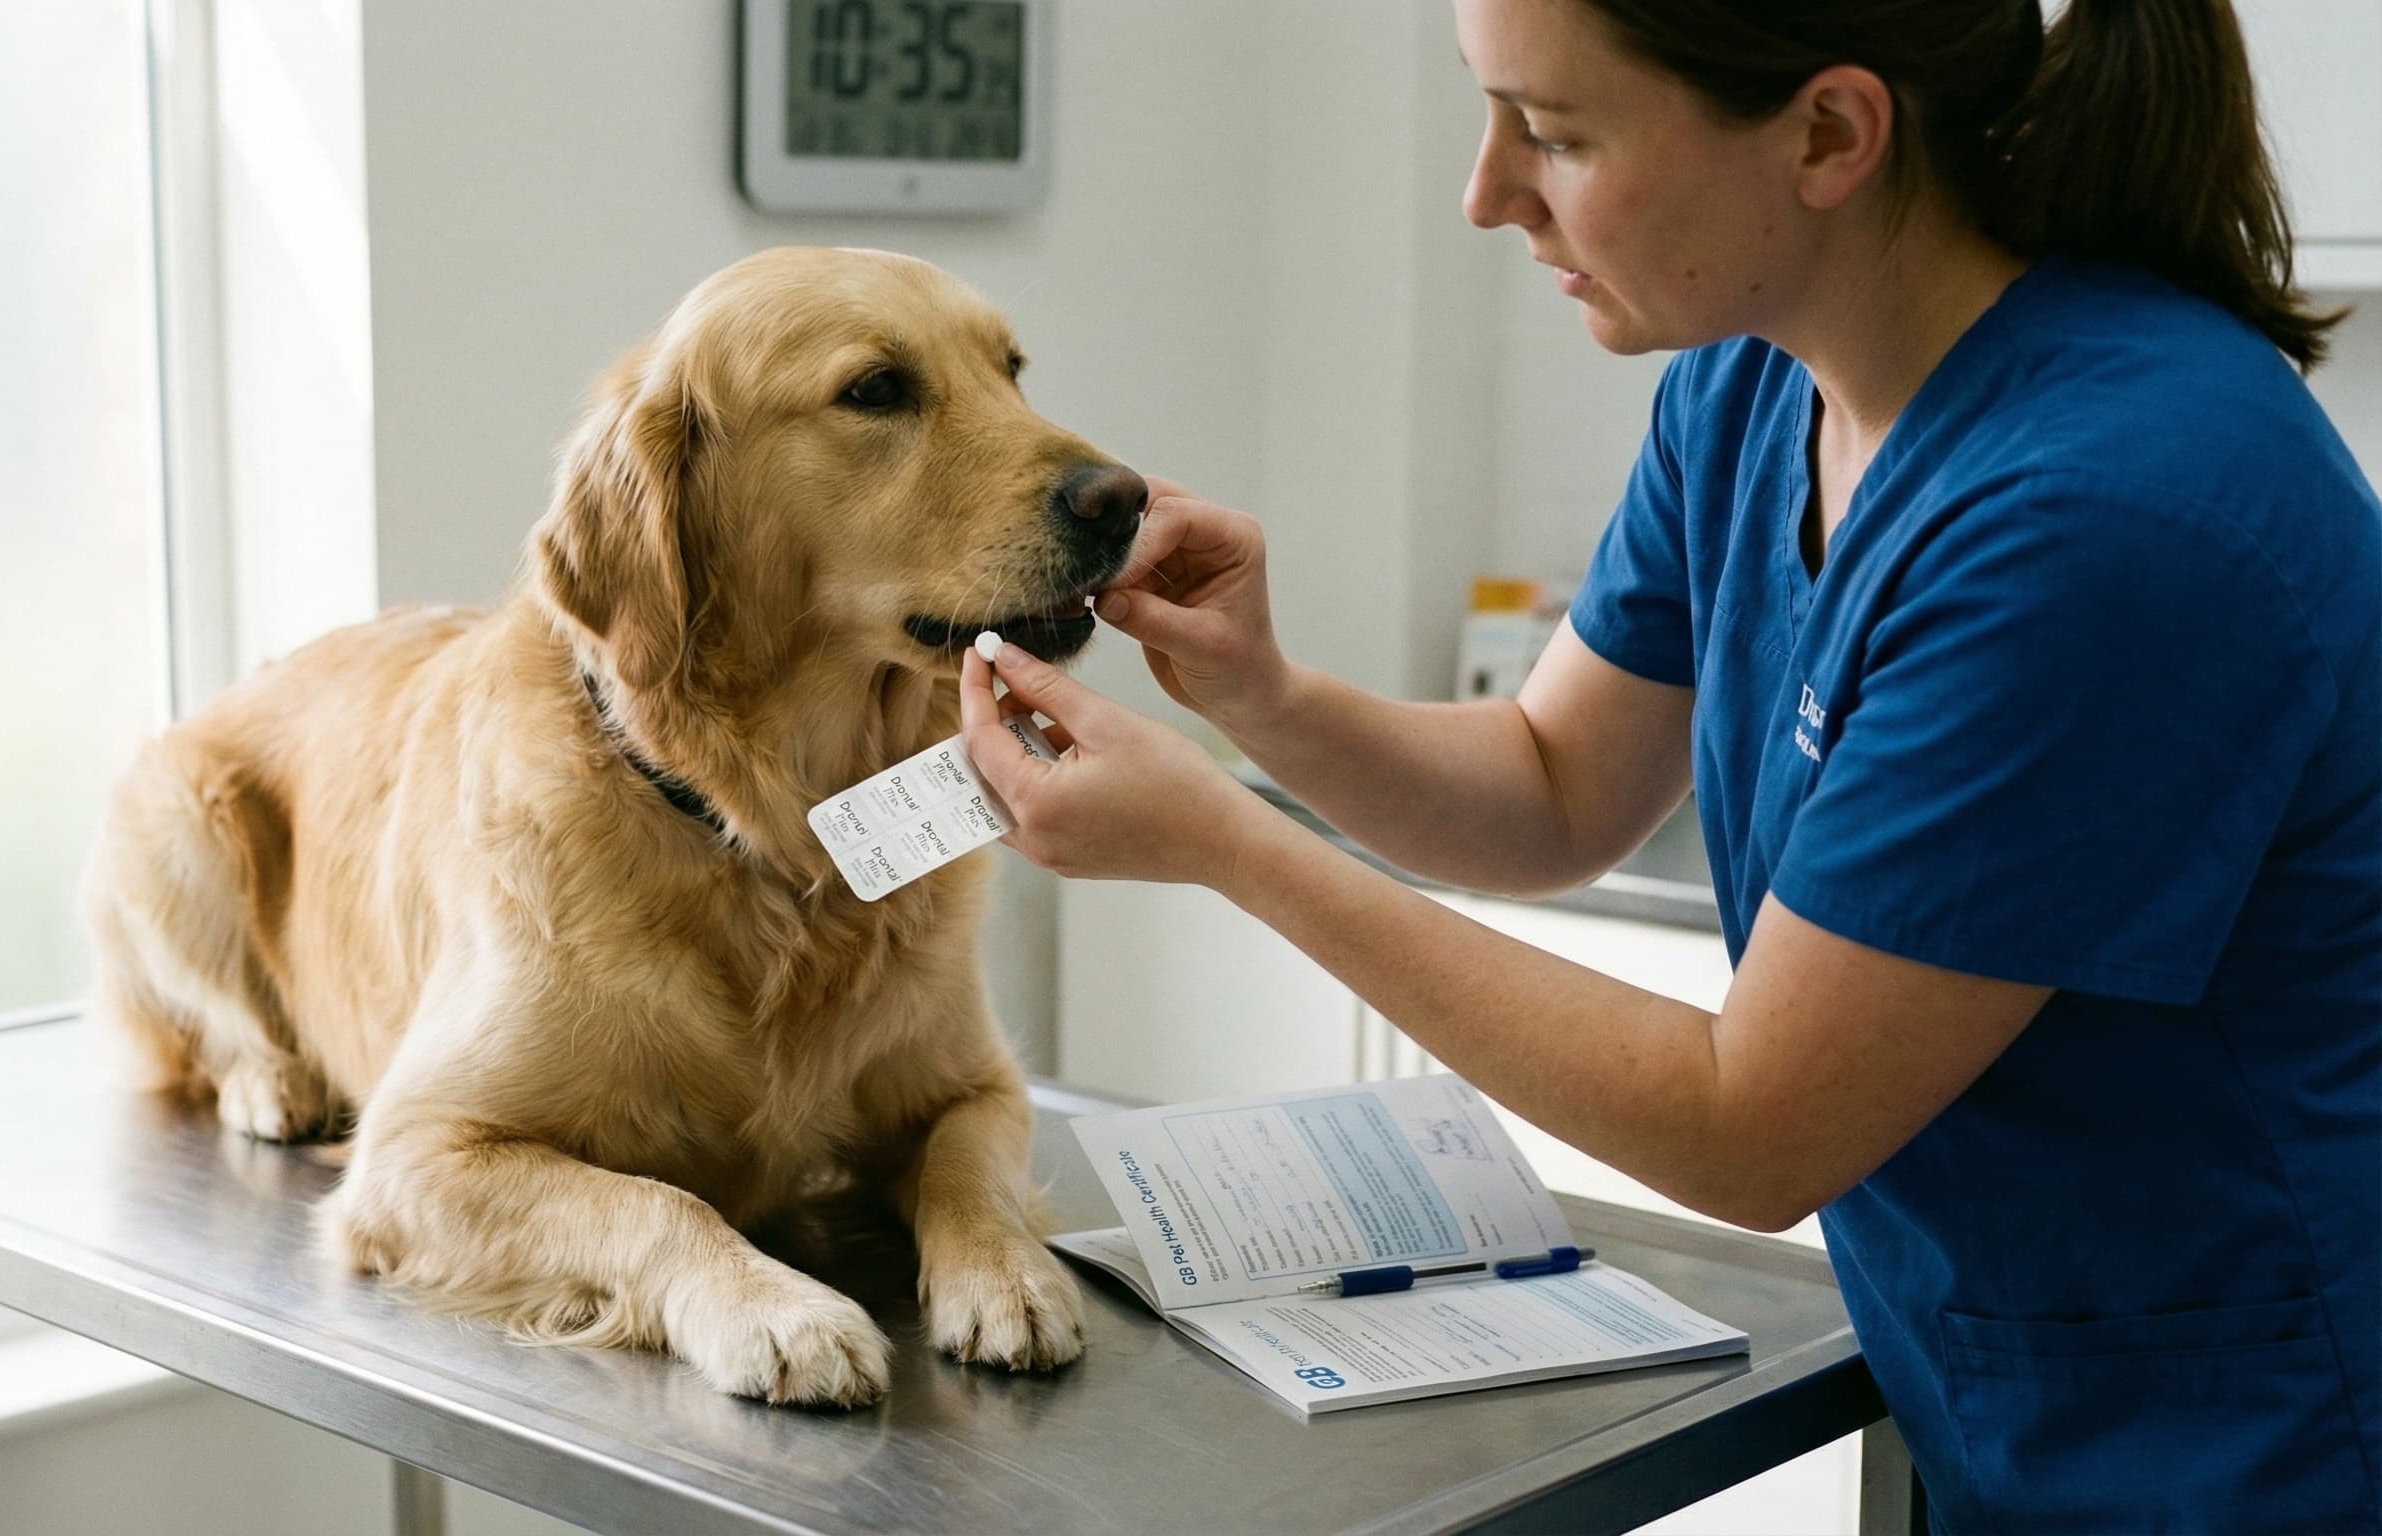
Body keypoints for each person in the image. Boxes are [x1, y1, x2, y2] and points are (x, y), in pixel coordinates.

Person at [958, 0, 2381, 1527]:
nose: (1487, 192)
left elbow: (1750, 1125)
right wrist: (1267, 700)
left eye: (1557, 135)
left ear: (1831, 134)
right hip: (2023, 1403)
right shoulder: (1756, 381)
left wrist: (1228, 841)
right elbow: (1550, 782)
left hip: (2260, 1443)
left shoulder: (2112, 507)